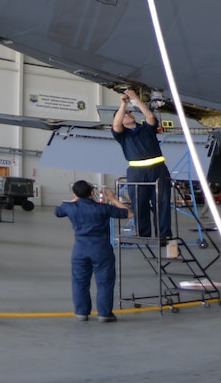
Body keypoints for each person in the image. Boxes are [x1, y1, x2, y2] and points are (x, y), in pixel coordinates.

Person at [54, 179, 129, 322]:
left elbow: (57, 212)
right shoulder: (103, 208)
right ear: (92, 192)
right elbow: (128, 213)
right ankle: (104, 314)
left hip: (80, 249)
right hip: (101, 249)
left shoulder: (69, 207)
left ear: (75, 193)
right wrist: (112, 199)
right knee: (104, 282)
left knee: (80, 282)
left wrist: (75, 198)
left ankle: (81, 312)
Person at [111, 88, 173, 240]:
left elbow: (150, 115)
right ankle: (144, 235)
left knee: (162, 203)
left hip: (158, 170)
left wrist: (136, 99)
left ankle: (164, 236)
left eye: (129, 113)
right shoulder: (122, 135)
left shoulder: (147, 129)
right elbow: (116, 125)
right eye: (124, 115)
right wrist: (123, 105)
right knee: (140, 204)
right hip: (137, 172)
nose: (127, 115)